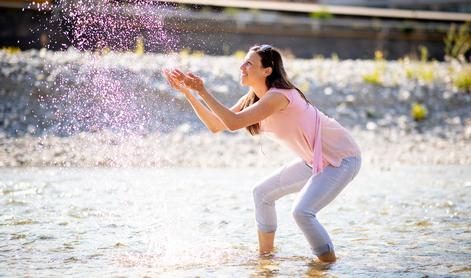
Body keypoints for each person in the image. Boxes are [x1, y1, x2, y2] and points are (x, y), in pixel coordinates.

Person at [162, 44, 361, 263]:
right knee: (262, 193)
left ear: (267, 70)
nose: (242, 66)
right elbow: (216, 125)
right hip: (312, 160)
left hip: (342, 159)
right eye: (243, 62)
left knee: (302, 212)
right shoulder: (253, 98)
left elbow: (234, 123)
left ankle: (327, 267)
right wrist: (189, 94)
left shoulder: (280, 96)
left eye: (249, 63)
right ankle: (266, 259)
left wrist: (203, 91)